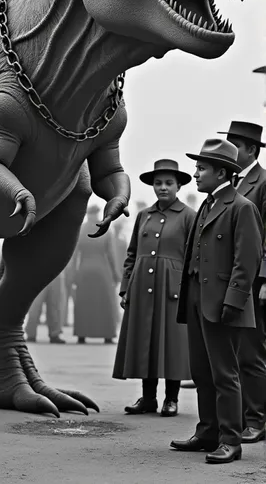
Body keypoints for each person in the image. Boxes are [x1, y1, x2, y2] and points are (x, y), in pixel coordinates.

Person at [171, 138, 263, 465]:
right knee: (201, 371)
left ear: (221, 172)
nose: (194, 174)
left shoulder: (241, 207)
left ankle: (230, 440)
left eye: (201, 168)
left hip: (222, 301)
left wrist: (234, 301)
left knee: (225, 374)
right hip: (197, 297)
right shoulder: (207, 205)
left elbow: (247, 259)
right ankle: (207, 431)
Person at [113, 159, 195, 416]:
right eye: (158, 183)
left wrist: (188, 290)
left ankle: (172, 399)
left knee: (171, 343)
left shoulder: (188, 216)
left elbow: (194, 255)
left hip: (173, 289)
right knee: (145, 340)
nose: (163, 188)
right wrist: (126, 287)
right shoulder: (143, 215)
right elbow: (132, 253)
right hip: (143, 287)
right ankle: (148, 398)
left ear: (178, 186)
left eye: (169, 183)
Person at [218, 121, 266, 443]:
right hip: (233, 278)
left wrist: (265, 279)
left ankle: (257, 420)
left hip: (254, 281)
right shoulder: (231, 180)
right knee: (235, 353)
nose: (232, 150)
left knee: (252, 353)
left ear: (252, 150)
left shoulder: (262, 182)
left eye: (237, 144)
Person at [73, 204, 120, 344]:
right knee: (105, 302)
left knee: (83, 302)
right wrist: (116, 274)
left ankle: (82, 335)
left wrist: (73, 274)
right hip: (102, 269)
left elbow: (74, 255)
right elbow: (111, 254)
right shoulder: (105, 229)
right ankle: (108, 335)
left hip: (84, 269)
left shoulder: (80, 230)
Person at [25, 274, 66, 344]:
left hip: (56, 272)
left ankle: (55, 334)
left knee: (55, 304)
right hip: (37, 272)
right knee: (35, 304)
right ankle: (31, 334)